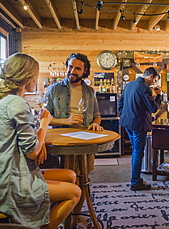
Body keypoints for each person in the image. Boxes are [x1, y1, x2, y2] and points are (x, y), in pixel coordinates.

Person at [0, 53, 81, 229]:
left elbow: (22, 141)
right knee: (75, 193)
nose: (36, 79)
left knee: (71, 175)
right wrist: (44, 124)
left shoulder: (4, 101)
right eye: (35, 74)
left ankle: (43, 217)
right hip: (7, 185)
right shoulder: (17, 104)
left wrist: (39, 139)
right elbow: (33, 152)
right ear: (26, 76)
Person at [46, 52, 103, 227]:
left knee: (83, 180)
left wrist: (95, 124)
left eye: (77, 68)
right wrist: (66, 121)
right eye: (70, 66)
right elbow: (45, 117)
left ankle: (74, 217)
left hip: (84, 141)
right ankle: (63, 217)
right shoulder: (54, 89)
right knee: (68, 180)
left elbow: (96, 115)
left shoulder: (89, 91)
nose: (72, 70)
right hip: (63, 142)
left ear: (84, 71)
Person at [118, 67, 162, 191]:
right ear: (151, 76)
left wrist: (125, 115)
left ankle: (135, 177)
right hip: (138, 125)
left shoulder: (129, 85)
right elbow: (153, 109)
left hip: (127, 123)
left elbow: (120, 103)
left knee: (135, 152)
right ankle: (135, 182)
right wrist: (159, 96)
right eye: (154, 80)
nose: (154, 83)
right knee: (138, 153)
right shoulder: (145, 88)